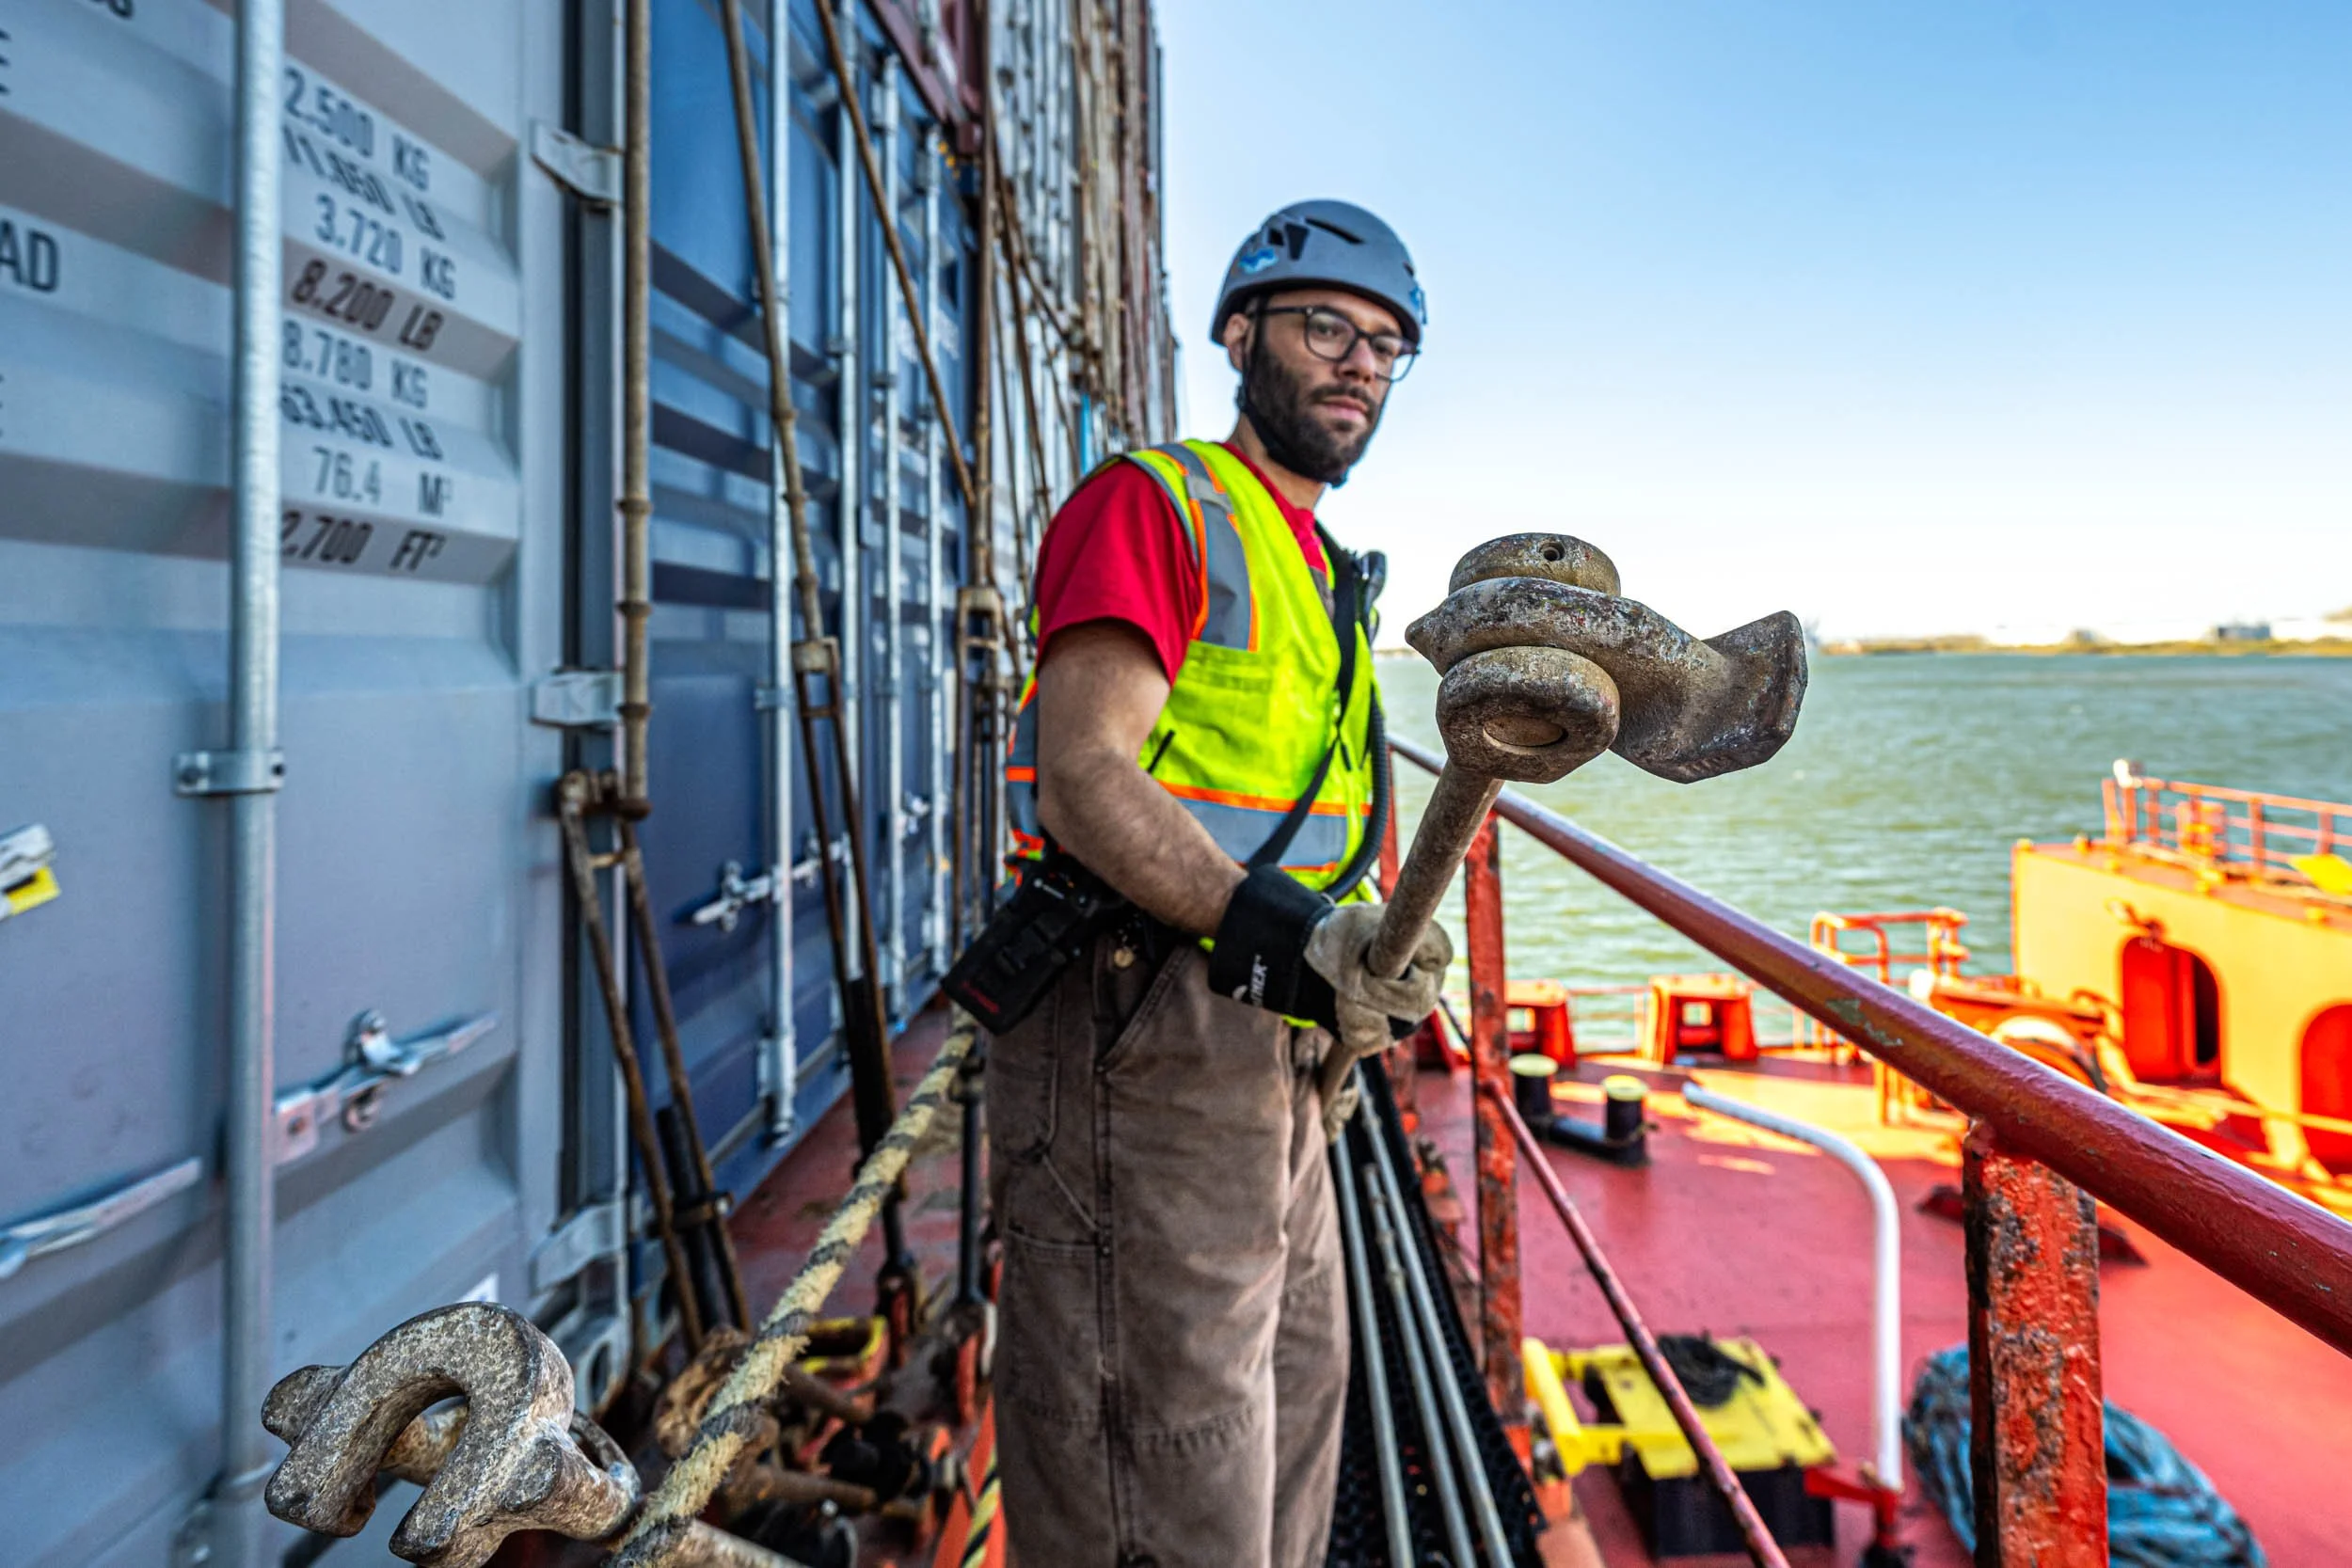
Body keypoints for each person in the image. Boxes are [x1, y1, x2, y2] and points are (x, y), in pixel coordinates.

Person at [986, 199, 1452, 1568]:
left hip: (1278, 1050)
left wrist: (1362, 955)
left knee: (1291, 1411)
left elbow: (1316, 831)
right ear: (1242, 335)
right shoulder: (1161, 503)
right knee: (1166, 1446)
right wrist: (1301, 941)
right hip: (1145, 1039)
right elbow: (1085, 774)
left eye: (1384, 346)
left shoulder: (1325, 576)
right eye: (1326, 328)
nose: (1358, 364)